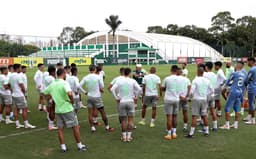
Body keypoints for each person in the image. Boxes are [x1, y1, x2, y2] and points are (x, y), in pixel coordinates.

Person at [43, 68, 87, 152]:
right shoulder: (64, 83)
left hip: (58, 110)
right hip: (67, 109)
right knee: (75, 126)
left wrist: (50, 99)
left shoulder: (53, 84)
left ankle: (63, 147)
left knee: (60, 129)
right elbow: (70, 93)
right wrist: (72, 100)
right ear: (63, 74)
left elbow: (44, 92)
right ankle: (79, 145)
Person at [80, 65, 114, 133]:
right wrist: (99, 88)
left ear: (89, 69)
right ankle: (107, 127)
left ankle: (92, 128)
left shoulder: (86, 77)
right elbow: (102, 86)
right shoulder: (98, 77)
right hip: (97, 96)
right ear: (95, 69)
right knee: (102, 112)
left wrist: (85, 92)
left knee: (90, 113)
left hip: (89, 96)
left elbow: (79, 85)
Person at [110, 68, 141, 142]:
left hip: (122, 102)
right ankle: (129, 137)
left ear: (124, 73)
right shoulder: (132, 80)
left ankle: (124, 137)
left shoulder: (119, 81)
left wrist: (116, 98)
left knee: (123, 120)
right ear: (129, 73)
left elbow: (112, 89)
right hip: (130, 101)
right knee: (130, 120)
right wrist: (136, 97)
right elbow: (139, 89)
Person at [186, 66, 213, 138]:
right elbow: (211, 90)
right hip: (204, 99)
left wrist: (189, 98)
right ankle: (207, 131)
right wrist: (206, 94)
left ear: (197, 72)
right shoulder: (207, 80)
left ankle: (191, 133)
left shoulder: (195, 80)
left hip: (196, 99)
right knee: (204, 115)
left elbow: (191, 91)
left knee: (194, 116)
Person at [220, 61, 246, 130]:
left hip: (233, 91)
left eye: (235, 65)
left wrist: (223, 88)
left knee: (227, 108)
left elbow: (228, 81)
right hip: (240, 92)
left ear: (237, 66)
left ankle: (227, 125)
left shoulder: (234, 73)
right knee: (237, 108)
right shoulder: (244, 75)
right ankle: (235, 124)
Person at [9, 64, 36, 129]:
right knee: (24, 109)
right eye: (20, 68)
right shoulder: (18, 76)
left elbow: (9, 85)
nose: (21, 69)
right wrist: (23, 93)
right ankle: (26, 124)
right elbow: (22, 86)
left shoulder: (11, 75)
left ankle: (17, 124)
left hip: (14, 95)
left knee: (16, 109)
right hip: (19, 95)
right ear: (17, 68)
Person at [162, 65, 182, 140]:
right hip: (176, 99)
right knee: (175, 116)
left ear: (171, 70)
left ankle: (169, 134)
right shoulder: (180, 79)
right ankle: (174, 133)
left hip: (168, 99)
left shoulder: (167, 78)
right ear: (177, 71)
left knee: (169, 117)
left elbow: (163, 88)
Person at [204, 62, 218, 131]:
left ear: (206, 67)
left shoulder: (205, 74)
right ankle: (215, 126)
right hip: (213, 94)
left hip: (206, 94)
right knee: (213, 110)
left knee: (205, 111)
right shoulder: (214, 75)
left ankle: (205, 128)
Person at [43, 66, 58, 131]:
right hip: (51, 95)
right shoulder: (52, 79)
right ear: (53, 72)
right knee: (52, 109)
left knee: (50, 109)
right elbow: (53, 88)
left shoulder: (46, 78)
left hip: (47, 94)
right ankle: (51, 125)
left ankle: (51, 124)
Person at [177, 67, 191, 132]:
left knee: (175, 113)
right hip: (185, 98)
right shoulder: (187, 79)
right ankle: (185, 126)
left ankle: (173, 128)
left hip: (178, 98)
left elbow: (174, 89)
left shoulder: (176, 79)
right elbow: (189, 88)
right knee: (185, 112)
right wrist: (187, 96)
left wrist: (180, 96)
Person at [243, 57, 256, 124]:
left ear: (251, 61)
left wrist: (244, 84)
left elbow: (246, 80)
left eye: (248, 62)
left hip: (252, 88)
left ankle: (253, 120)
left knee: (251, 104)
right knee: (252, 103)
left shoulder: (252, 70)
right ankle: (249, 116)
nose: (247, 63)